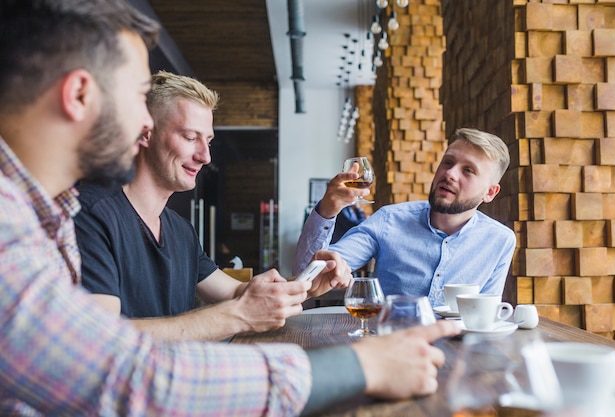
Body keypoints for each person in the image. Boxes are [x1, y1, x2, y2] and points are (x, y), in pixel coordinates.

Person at [0, 1, 459, 415]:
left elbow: (240, 300)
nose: (143, 122)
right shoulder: (54, 218)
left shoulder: (52, 214)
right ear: (80, 94)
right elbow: (119, 369)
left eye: (209, 139)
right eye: (137, 97)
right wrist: (360, 366)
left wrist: (304, 284)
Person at [75, 70, 349, 342]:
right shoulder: (89, 215)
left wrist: (306, 284)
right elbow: (102, 339)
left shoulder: (180, 230)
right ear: (145, 133)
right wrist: (238, 316)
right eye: (190, 137)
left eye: (208, 141)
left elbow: (237, 293)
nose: (205, 156)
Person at [294, 128, 516, 307]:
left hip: (458, 352)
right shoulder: (389, 220)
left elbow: (487, 314)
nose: (450, 173)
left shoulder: (500, 240)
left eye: (468, 170)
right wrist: (327, 211)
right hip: (390, 346)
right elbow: (306, 276)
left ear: (490, 192)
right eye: (448, 163)